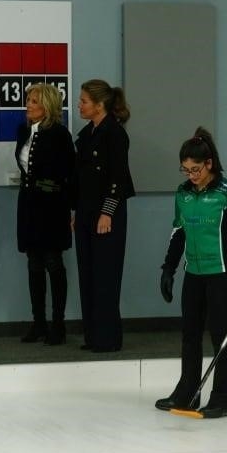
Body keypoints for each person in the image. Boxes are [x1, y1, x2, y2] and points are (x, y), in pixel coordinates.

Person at [156, 126, 227, 419]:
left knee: (220, 333)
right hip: (194, 273)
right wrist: (168, 268)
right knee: (189, 333)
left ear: (209, 164)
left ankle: (223, 399)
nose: (191, 175)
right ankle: (187, 393)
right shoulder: (183, 194)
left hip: (222, 273)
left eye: (196, 169)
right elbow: (178, 233)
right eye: (186, 170)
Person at [72, 79, 135, 353]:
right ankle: (92, 335)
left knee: (106, 275)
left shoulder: (114, 134)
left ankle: (108, 337)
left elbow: (117, 178)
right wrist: (76, 211)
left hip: (107, 213)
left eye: (84, 101)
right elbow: (81, 178)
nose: (79, 105)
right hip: (86, 211)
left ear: (100, 105)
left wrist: (107, 212)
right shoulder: (87, 134)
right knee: (87, 274)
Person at [15, 83, 75, 345]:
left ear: (48, 106)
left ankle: (57, 324)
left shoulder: (60, 134)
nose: (28, 105)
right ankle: (38, 322)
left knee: (53, 261)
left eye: (34, 101)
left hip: (52, 205)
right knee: (33, 263)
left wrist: (71, 207)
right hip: (28, 202)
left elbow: (69, 173)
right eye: (28, 100)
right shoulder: (24, 131)